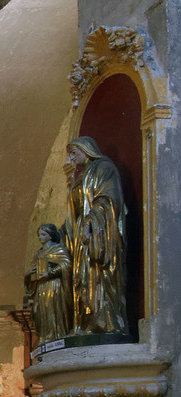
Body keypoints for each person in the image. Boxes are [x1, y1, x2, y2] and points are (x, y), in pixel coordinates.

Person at [63, 135, 128, 336]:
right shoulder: (80, 177)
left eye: (74, 153)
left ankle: (106, 323)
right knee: (83, 280)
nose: (71, 159)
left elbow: (109, 198)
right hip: (83, 240)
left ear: (87, 149)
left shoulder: (104, 168)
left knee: (99, 278)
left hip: (101, 234)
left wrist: (91, 221)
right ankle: (87, 323)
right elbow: (73, 214)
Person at [24, 223, 72, 344]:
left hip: (53, 285)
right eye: (39, 235)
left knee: (52, 309)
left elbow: (67, 265)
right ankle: (44, 337)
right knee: (39, 311)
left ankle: (55, 336)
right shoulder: (38, 253)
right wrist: (28, 274)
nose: (40, 237)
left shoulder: (59, 249)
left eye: (43, 234)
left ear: (50, 236)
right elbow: (32, 272)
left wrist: (50, 273)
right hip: (40, 286)